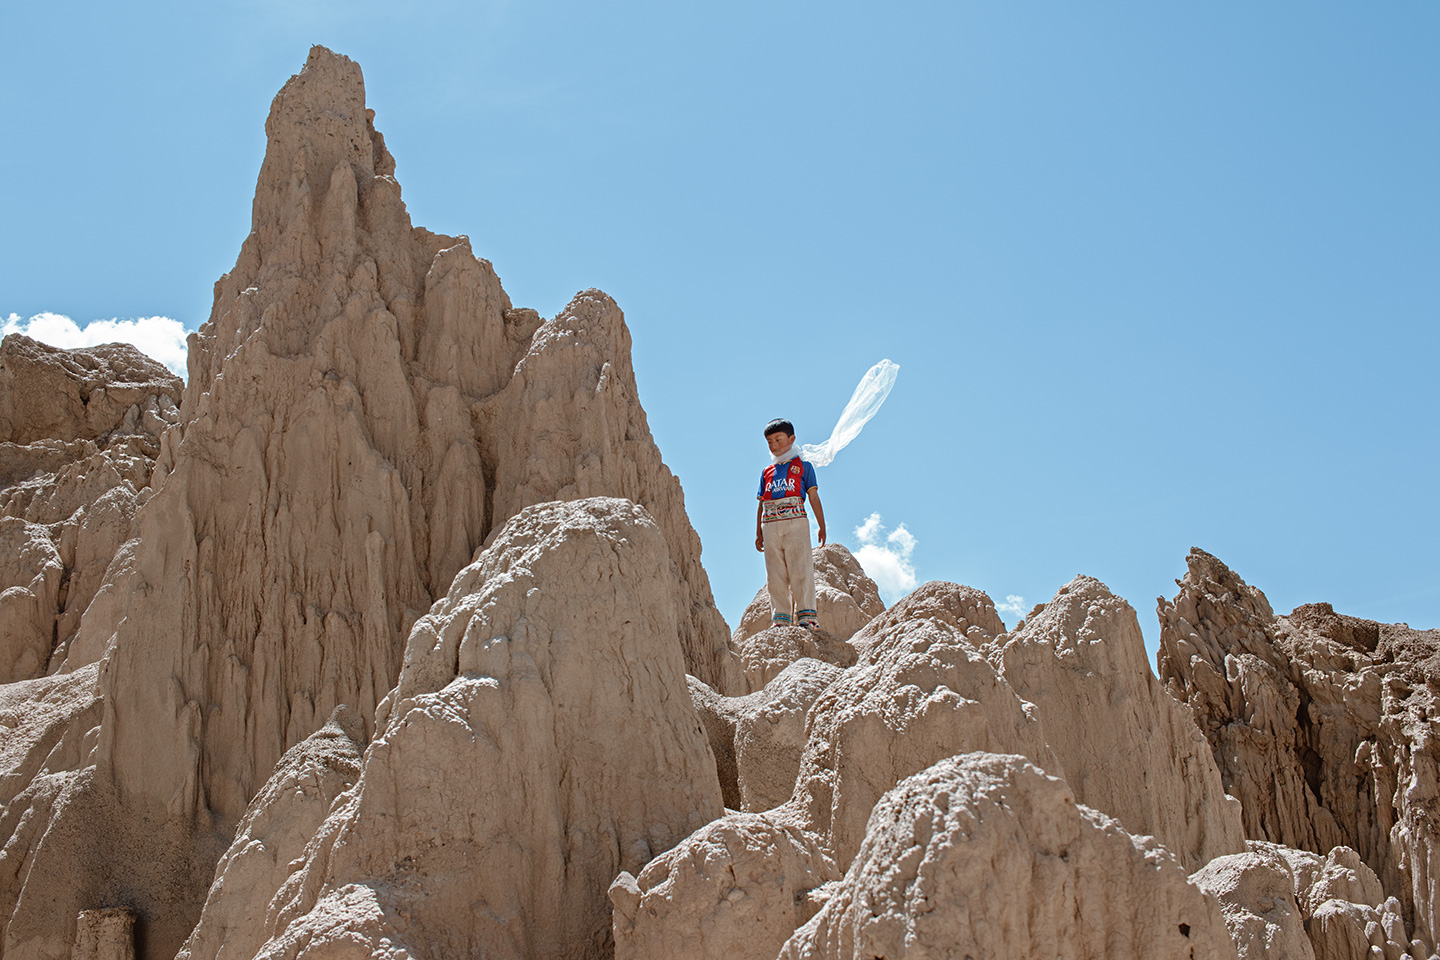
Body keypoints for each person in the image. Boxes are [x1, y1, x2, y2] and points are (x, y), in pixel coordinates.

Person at [755, 418, 826, 631]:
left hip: (796, 522)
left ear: (791, 439)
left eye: (778, 439)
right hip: (770, 523)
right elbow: (761, 502)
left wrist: (822, 525)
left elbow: (813, 497)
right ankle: (781, 619)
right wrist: (758, 530)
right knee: (774, 572)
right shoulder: (767, 472)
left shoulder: (804, 467)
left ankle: (807, 617)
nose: (774, 445)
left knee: (800, 567)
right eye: (769, 441)